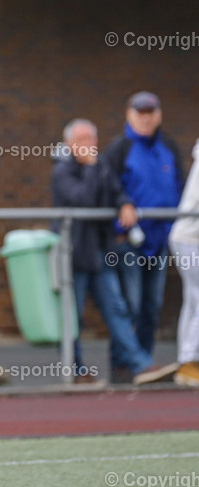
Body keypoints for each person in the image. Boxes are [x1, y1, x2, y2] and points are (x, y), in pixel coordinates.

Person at [51, 119, 176, 385]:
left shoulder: (101, 167)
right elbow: (83, 199)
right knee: (73, 316)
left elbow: (116, 192)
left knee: (118, 309)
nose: (88, 146)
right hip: (73, 255)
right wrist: (91, 168)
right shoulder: (62, 171)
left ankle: (138, 365)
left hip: (99, 255)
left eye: (91, 140)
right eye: (81, 141)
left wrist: (126, 204)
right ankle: (74, 370)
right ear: (69, 145)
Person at [101, 91, 185, 379]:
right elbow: (107, 184)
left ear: (159, 115)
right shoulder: (119, 148)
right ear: (129, 114)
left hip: (159, 242)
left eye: (151, 112)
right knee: (130, 306)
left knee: (151, 308)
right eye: (140, 112)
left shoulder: (168, 147)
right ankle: (123, 365)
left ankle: (144, 364)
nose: (146, 117)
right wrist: (123, 202)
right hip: (128, 243)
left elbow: (179, 187)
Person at [169, 137, 199, 386]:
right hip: (190, 238)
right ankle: (189, 361)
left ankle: (186, 359)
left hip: (188, 237)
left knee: (192, 300)